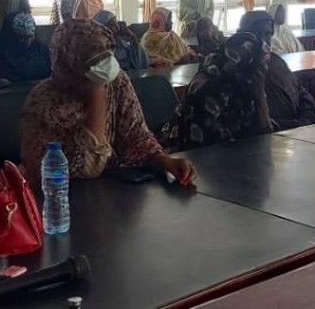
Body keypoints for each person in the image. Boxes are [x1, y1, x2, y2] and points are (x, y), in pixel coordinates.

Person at [21, 19, 195, 187]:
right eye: (93, 59)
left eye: (105, 53)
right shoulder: (43, 102)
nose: (103, 68)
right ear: (68, 62)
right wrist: (96, 93)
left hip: (113, 190)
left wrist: (164, 161)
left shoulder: (116, 82)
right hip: (61, 195)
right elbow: (85, 169)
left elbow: (135, 135)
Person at [161, 32, 273, 151]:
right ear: (245, 64)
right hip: (188, 156)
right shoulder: (205, 93)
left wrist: (261, 100)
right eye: (259, 65)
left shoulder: (245, 89)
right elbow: (215, 152)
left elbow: (265, 138)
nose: (263, 71)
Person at [238, 11, 315, 130]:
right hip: (280, 132)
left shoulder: (276, 60)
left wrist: (306, 116)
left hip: (303, 124)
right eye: (256, 34)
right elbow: (258, 120)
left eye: (267, 34)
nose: (263, 39)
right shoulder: (239, 71)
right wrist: (298, 124)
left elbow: (300, 91)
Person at [0, 12, 51, 81]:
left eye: (30, 36)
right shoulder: (4, 55)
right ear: (13, 36)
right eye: (22, 37)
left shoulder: (42, 51)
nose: (27, 41)